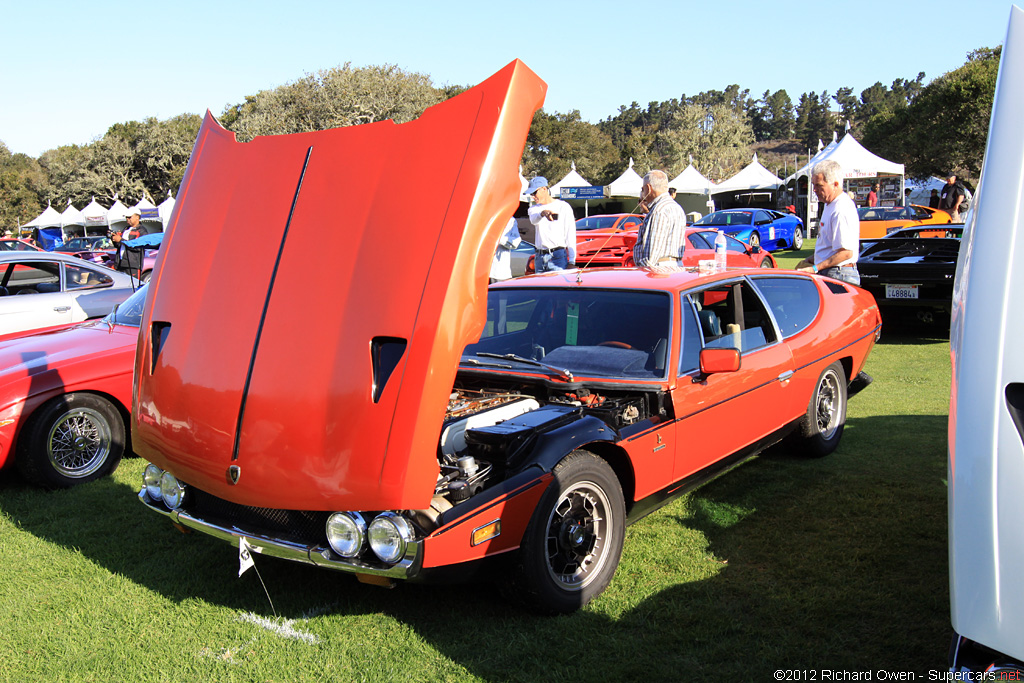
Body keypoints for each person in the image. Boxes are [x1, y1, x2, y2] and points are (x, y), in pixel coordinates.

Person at [797, 159, 860, 286]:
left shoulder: (840, 208)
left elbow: (846, 253)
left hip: (839, 274)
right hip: (833, 272)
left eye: (819, 185)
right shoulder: (830, 204)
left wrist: (814, 268)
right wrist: (812, 259)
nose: (814, 190)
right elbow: (829, 248)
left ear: (835, 184)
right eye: (813, 185)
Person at [632, 170, 687, 268]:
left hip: (659, 269)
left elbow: (651, 255)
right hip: (675, 265)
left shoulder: (658, 211)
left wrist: (642, 272)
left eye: (643, 189)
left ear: (649, 188)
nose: (643, 193)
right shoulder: (677, 208)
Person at [526, 177, 576, 272]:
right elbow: (533, 220)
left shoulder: (563, 207)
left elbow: (570, 234)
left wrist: (572, 262)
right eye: (531, 194)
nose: (533, 196)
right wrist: (542, 213)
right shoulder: (533, 209)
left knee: (558, 286)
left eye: (534, 193)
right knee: (540, 287)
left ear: (544, 189)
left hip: (557, 256)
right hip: (539, 257)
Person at [489, 216, 521, 284]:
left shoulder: (510, 220)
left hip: (499, 271)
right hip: (481, 272)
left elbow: (516, 242)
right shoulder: (482, 218)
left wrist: (499, 239)